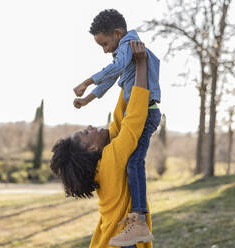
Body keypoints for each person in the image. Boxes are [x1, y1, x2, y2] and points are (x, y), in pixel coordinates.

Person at [50, 41, 153, 248]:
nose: (90, 126)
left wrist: (126, 79)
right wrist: (141, 65)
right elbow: (133, 120)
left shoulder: (104, 163)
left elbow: (118, 122)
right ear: (92, 149)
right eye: (86, 133)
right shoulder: (111, 160)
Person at [72, 9, 161, 246]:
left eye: (104, 43)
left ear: (118, 34)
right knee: (134, 162)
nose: (104, 49)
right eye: (85, 133)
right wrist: (88, 93)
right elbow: (114, 79)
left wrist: (87, 87)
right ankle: (138, 220)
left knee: (134, 162)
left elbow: (115, 73)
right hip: (144, 111)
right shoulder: (110, 158)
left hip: (147, 111)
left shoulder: (129, 46)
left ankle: (138, 219)